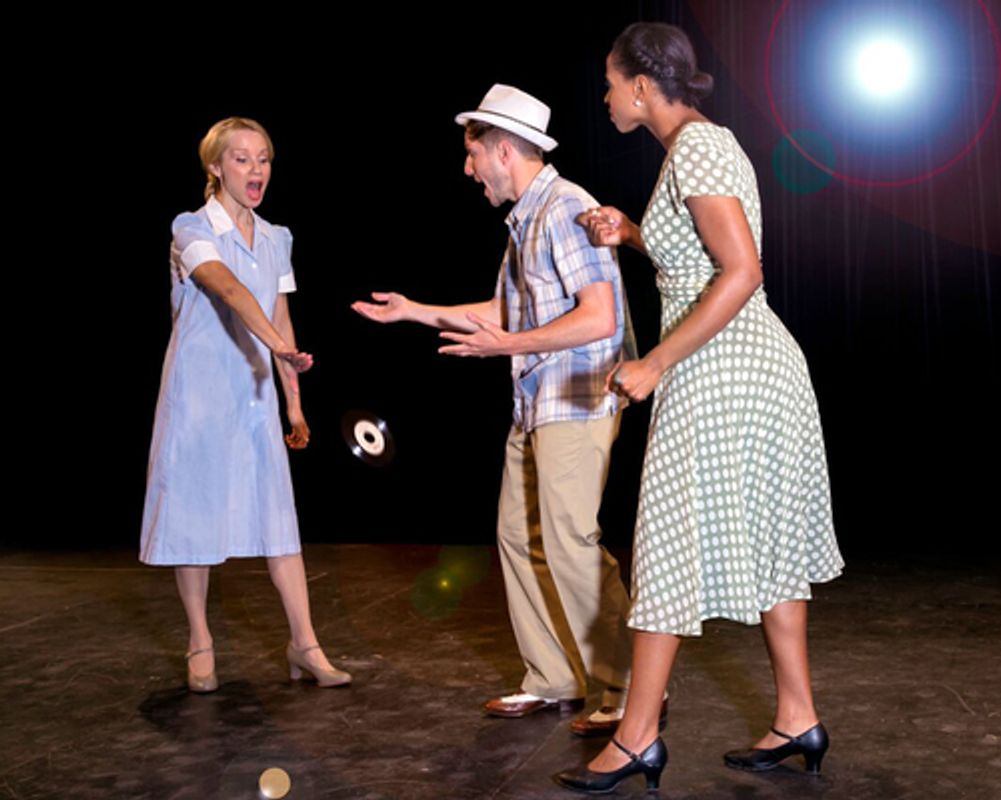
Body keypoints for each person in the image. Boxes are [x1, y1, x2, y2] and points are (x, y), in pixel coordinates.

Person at [553, 23, 844, 794]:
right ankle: (797, 715)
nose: (608, 96)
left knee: (667, 542)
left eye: (612, 82)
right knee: (769, 542)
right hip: (739, 368)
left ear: (643, 85)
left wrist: (652, 362)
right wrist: (634, 233)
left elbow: (741, 271)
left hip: (728, 369)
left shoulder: (699, 149)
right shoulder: (696, 150)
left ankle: (640, 735)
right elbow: (700, 259)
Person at [351, 85, 639, 735]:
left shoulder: (567, 207)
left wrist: (507, 346)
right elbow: (510, 311)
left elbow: (599, 317)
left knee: (570, 540)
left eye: (472, 152)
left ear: (503, 150)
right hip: (536, 400)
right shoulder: (526, 220)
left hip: (576, 398)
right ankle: (554, 677)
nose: (467, 167)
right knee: (518, 536)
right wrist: (415, 311)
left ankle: (625, 684)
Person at [140, 117, 350, 692]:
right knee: (195, 518)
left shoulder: (278, 236)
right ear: (215, 167)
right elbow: (227, 288)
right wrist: (280, 346)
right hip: (201, 393)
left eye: (263, 159)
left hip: (256, 392)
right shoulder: (191, 228)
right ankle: (199, 641)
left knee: (279, 520)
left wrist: (295, 405)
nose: (256, 170)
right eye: (241, 159)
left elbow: (281, 315)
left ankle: (304, 644)